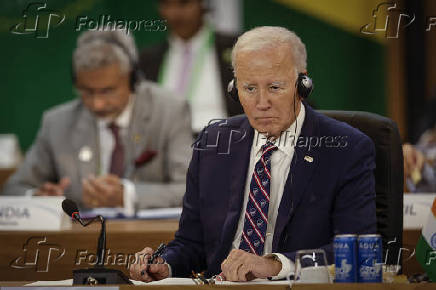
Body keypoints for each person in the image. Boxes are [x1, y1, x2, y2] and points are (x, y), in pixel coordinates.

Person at [129, 26, 376, 282]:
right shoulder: (213, 144)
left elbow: (354, 249)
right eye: (249, 89)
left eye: (274, 87)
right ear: (235, 89)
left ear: (302, 84)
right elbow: (192, 243)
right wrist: (164, 264)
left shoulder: (346, 148)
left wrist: (276, 265)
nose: (261, 103)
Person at [2, 30, 192, 214]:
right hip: (81, 238)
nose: (97, 104)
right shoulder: (57, 123)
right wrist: (36, 197)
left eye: (107, 91)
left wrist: (127, 195)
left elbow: (191, 189)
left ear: (133, 80)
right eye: (87, 91)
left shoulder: (170, 111)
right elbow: (14, 188)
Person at [139, 0, 243, 134]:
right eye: (167, 4)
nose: (175, 14)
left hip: (225, 140)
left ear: (203, 4)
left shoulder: (236, 49)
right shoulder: (149, 59)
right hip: (166, 144)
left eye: (184, 3)